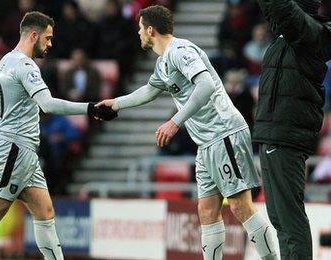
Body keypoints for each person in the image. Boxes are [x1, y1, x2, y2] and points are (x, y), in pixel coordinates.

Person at [96, 5, 278, 260]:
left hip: (224, 132)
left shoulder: (181, 51)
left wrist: (175, 121)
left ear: (150, 30)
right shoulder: (163, 62)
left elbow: (205, 85)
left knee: (239, 205)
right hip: (205, 143)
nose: (138, 33)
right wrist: (116, 103)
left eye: (140, 28)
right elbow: (148, 91)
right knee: (206, 210)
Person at [0, 11, 117, 260]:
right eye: (48, 39)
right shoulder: (26, 65)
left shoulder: (4, 63)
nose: (50, 44)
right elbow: (47, 105)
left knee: (45, 211)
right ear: (34, 35)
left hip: (18, 151)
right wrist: (90, 108)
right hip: (15, 149)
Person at [253, 0, 331, 258]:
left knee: (289, 217)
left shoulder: (309, 33)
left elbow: (281, 9)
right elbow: (274, 10)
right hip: (275, 133)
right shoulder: (291, 35)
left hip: (285, 135)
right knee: (279, 217)